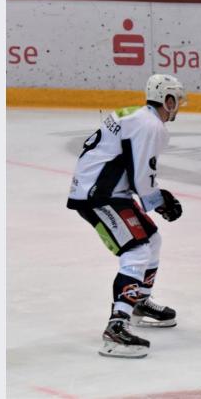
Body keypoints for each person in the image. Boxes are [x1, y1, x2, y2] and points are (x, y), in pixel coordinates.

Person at [66, 74, 187, 358]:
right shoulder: (151, 125)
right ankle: (115, 328)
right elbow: (141, 177)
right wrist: (159, 201)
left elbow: (133, 172)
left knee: (152, 240)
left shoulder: (137, 117)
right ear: (167, 100)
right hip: (98, 194)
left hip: (105, 189)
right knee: (137, 249)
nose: (179, 107)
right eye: (177, 101)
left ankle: (139, 302)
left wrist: (156, 197)